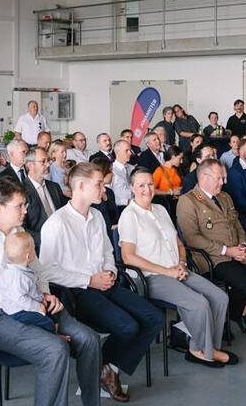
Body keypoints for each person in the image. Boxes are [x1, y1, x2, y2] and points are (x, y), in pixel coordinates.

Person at [0, 177, 102, 406]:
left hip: (32, 304)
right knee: (55, 349)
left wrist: (45, 292)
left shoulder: (18, 232)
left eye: (25, 205)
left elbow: (38, 268)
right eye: (20, 205)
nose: (26, 210)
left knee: (89, 339)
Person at [40, 163, 162, 402]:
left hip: (106, 283)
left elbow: (108, 252)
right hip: (77, 293)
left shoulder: (96, 216)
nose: (103, 188)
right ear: (81, 186)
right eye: (98, 183)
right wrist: (89, 280)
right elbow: (47, 272)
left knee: (154, 318)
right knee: (127, 327)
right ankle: (100, 370)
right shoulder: (56, 223)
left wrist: (108, 273)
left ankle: (106, 369)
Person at [119, 168, 235, 367]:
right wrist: (167, 271)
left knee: (220, 296)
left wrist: (181, 263)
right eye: (141, 185)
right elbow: (128, 258)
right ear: (131, 188)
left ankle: (210, 347)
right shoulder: (129, 216)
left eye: (150, 184)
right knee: (198, 303)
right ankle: (199, 351)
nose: (147, 189)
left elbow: (179, 244)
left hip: (177, 269)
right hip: (150, 277)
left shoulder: (161, 210)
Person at [178, 159, 246, 334]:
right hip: (213, 258)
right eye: (219, 178)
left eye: (224, 178)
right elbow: (192, 239)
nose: (223, 182)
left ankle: (236, 313)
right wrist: (226, 250)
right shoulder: (188, 201)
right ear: (203, 177)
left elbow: (237, 225)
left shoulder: (224, 197)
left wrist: (243, 244)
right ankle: (232, 316)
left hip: (238, 251)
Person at [1, 232, 63, 335]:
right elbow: (20, 299)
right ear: (28, 256)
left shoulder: (23, 269)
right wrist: (37, 307)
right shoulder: (18, 277)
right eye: (34, 248)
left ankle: (55, 331)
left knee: (54, 313)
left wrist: (41, 298)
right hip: (19, 310)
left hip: (32, 301)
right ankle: (54, 336)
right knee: (46, 322)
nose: (36, 250)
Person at [22, 147, 67, 248]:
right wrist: (46, 239)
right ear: (30, 165)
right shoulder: (21, 191)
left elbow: (64, 213)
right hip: (39, 246)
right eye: (43, 161)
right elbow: (21, 228)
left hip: (63, 242)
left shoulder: (54, 187)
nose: (48, 165)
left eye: (48, 161)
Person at [89, 157, 120, 232]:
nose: (113, 174)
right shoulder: (92, 195)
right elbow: (97, 225)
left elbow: (116, 217)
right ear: (103, 172)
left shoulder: (109, 192)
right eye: (110, 171)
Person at [110, 139, 135, 211]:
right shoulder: (111, 171)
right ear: (118, 152)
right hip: (120, 208)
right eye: (126, 151)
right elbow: (108, 197)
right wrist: (127, 201)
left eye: (130, 150)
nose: (130, 153)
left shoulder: (132, 168)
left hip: (135, 205)